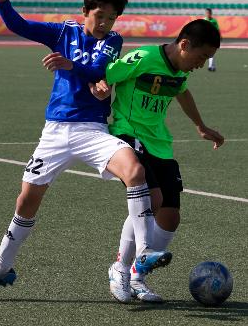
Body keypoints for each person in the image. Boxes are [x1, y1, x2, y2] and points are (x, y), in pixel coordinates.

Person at [0, 0, 171, 303]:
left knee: (135, 171)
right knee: (25, 201)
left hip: (92, 131)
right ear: (85, 10)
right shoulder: (62, 32)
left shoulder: (111, 41)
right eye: (100, 16)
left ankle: (143, 253)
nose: (105, 23)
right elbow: (20, 25)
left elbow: (98, 68)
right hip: (55, 132)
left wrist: (70, 65)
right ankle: (1, 269)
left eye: (112, 18)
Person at [90, 19, 224, 302]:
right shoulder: (145, 57)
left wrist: (200, 126)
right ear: (184, 44)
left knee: (171, 215)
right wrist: (99, 87)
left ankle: (138, 276)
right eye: (201, 57)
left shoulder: (179, 71)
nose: (202, 63)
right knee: (152, 199)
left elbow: (182, 92)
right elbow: (105, 74)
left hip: (159, 143)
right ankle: (121, 268)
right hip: (128, 132)